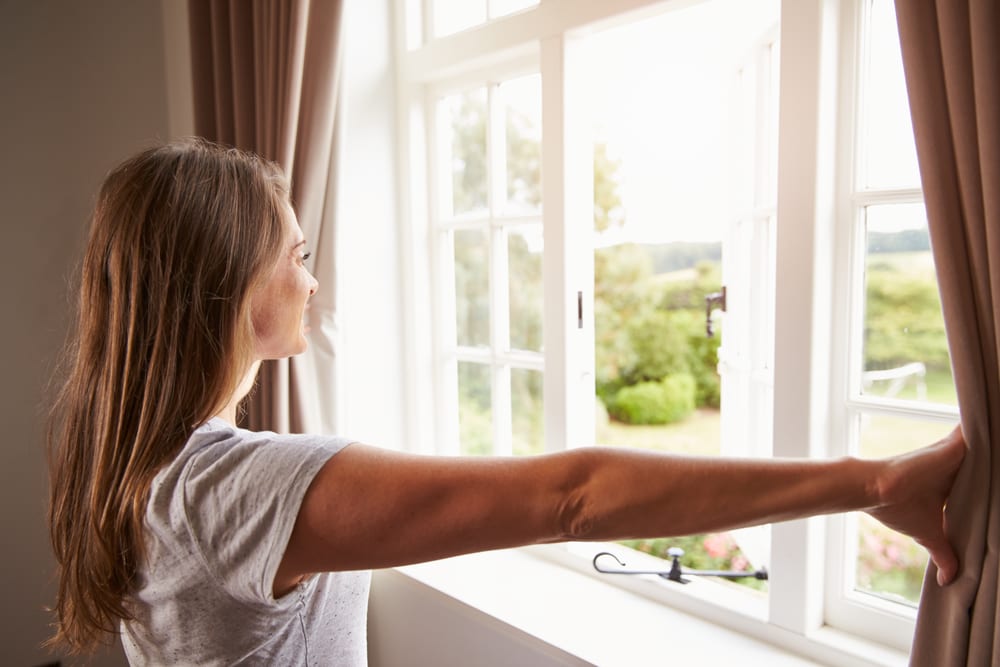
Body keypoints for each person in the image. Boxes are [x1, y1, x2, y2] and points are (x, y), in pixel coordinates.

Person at [47, 138, 966, 665]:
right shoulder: (231, 488)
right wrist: (874, 479)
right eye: (297, 255)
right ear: (233, 283)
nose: (312, 279)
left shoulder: (144, 457)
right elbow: (574, 497)